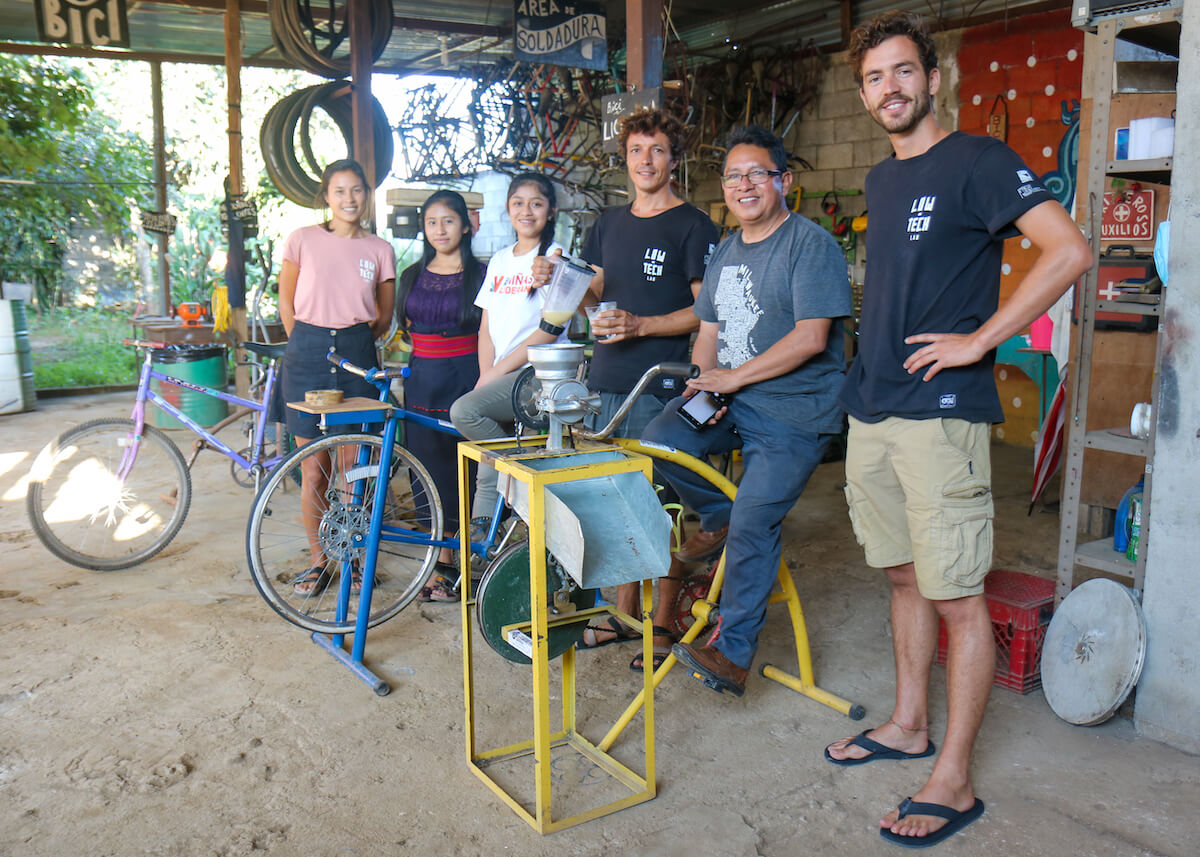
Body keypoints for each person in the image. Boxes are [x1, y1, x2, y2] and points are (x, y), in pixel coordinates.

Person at [823, 11, 1092, 848]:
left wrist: (981, 339)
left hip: (941, 417)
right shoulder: (879, 180)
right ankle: (909, 724)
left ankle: (956, 778)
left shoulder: (978, 160)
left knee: (957, 596)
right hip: (874, 410)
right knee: (905, 579)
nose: (889, 89)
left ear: (932, 80)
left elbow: (1068, 250)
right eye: (874, 78)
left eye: (903, 72)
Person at [638, 124, 851, 693]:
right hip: (730, 396)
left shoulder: (810, 245)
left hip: (793, 411)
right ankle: (717, 517)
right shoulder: (728, 249)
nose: (744, 184)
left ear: (783, 180)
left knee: (757, 519)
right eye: (733, 176)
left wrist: (731, 378)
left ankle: (731, 656)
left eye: (757, 173)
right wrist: (702, 382)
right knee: (658, 439)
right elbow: (709, 329)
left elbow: (810, 338)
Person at [551, 107, 719, 667]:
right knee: (611, 502)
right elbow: (597, 295)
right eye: (636, 152)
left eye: (657, 151)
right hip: (604, 382)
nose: (646, 161)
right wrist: (566, 283)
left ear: (674, 159)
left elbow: (705, 310)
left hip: (658, 384)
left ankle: (664, 622)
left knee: (662, 508)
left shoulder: (693, 225)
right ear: (625, 161)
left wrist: (644, 325)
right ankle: (621, 615)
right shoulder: (609, 223)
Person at [277, 158, 396, 597]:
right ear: (326, 196)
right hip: (306, 353)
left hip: (358, 352)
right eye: (340, 191)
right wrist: (306, 343)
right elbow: (286, 302)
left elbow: (383, 317)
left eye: (357, 190)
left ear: (367, 195)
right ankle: (318, 561)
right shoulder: (302, 240)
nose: (349, 199)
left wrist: (349, 340)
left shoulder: (380, 249)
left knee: (353, 466)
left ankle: (354, 558)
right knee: (315, 469)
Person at [448, 173, 571, 534]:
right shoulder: (500, 261)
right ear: (507, 209)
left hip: (540, 373)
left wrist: (494, 374)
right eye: (518, 202)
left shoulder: (554, 258)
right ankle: (483, 535)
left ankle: (520, 475)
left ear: (551, 211)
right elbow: (486, 328)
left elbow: (549, 333)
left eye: (537, 203)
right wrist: (488, 373)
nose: (526, 211)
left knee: (465, 411)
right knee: (485, 435)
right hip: (503, 372)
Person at [395, 190, 483, 603]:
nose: (440, 230)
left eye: (448, 221)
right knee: (426, 471)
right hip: (421, 380)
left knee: (462, 470)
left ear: (466, 225)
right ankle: (439, 561)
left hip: (467, 377)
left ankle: (459, 561)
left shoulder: (482, 275)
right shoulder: (411, 275)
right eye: (432, 222)